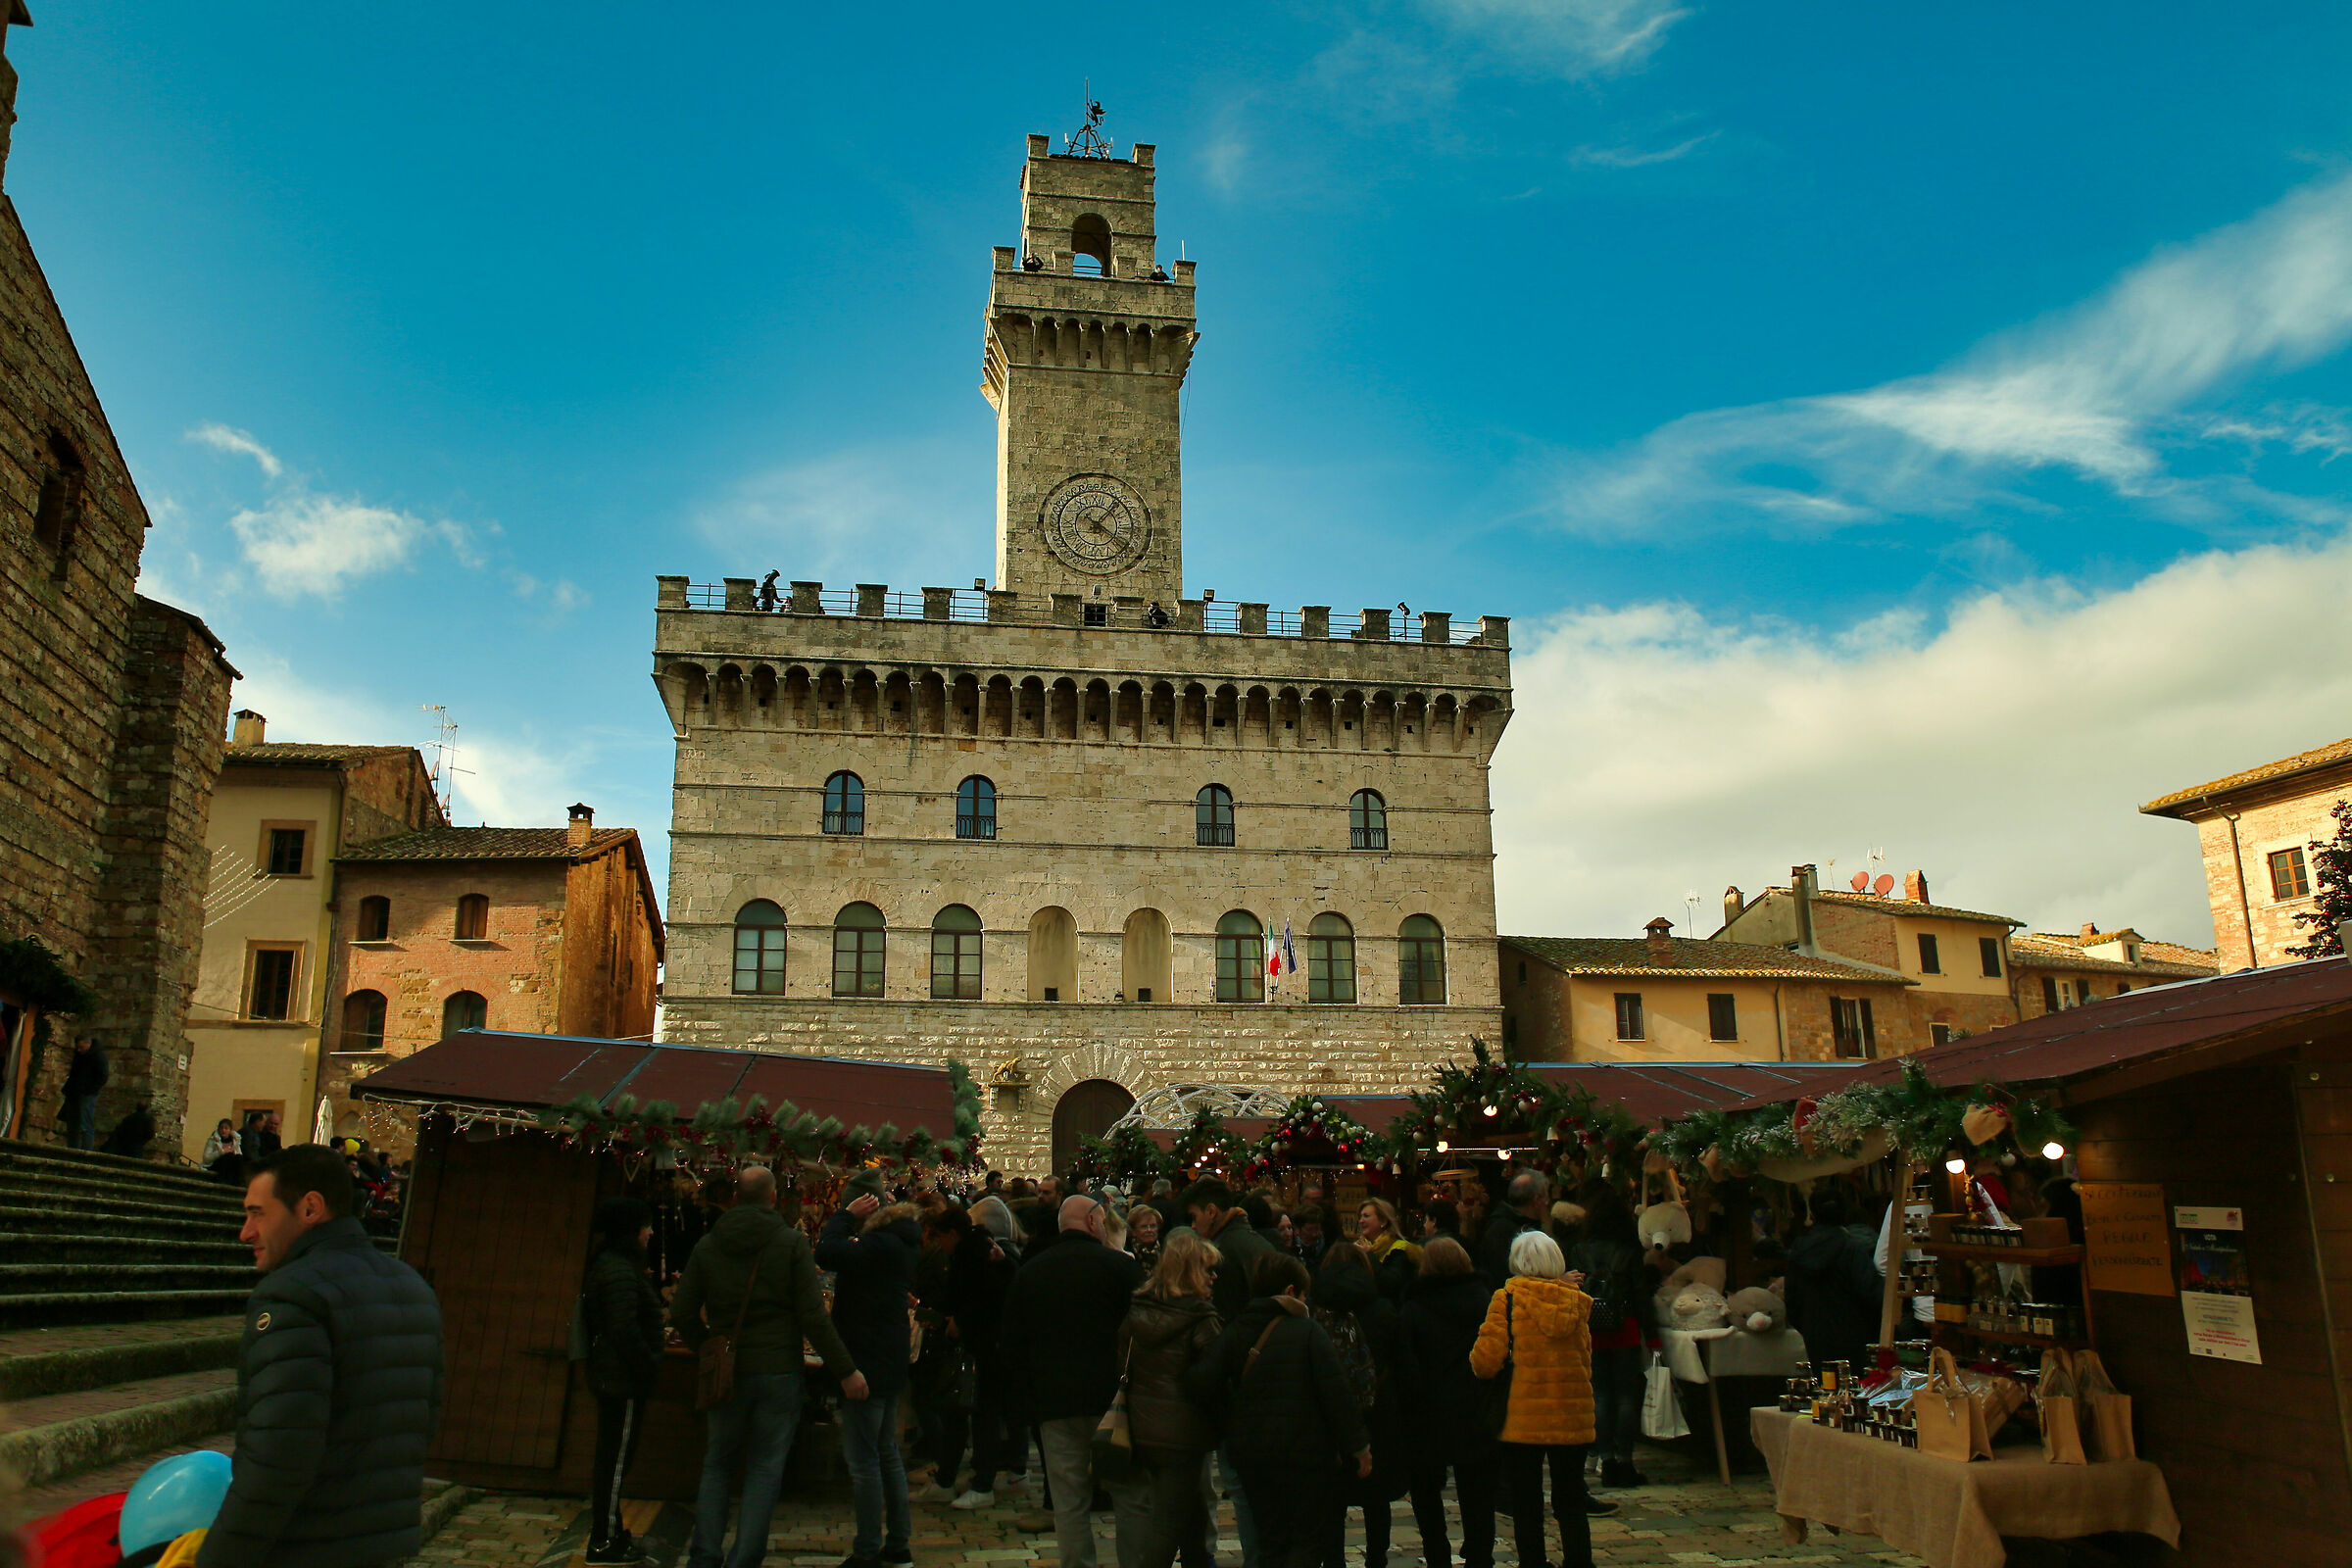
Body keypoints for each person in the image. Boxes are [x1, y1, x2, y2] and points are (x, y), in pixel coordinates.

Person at [194, 1145, 443, 1568]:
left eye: (258, 1213)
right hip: (379, 1543)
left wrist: (219, 1559)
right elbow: (422, 1420)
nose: (246, 1232)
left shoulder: (293, 1294)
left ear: (310, 1208)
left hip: (307, 1545)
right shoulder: (410, 1286)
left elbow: (278, 1453)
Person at [672, 1166, 866, 1568]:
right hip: (778, 1368)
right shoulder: (789, 1242)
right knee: (764, 1468)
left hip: (727, 1368)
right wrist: (846, 1369)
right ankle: (744, 1559)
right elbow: (813, 1315)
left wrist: (708, 1348)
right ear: (773, 1198)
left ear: (735, 1198)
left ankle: (704, 1555)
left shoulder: (709, 1245)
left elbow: (683, 1311)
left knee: (718, 1462)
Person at [1193, 1253, 1370, 1568]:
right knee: (1305, 1538)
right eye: (1304, 1294)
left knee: (1270, 1538)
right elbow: (1336, 1392)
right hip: (1306, 1454)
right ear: (1290, 1292)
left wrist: (1232, 1423)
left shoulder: (1235, 1330)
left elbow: (1203, 1382)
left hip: (1253, 1455)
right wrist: (1357, 1446)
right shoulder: (1308, 1332)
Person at [1000, 1194, 1146, 1568]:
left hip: (1055, 1402)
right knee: (1128, 1497)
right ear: (1095, 1223)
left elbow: (1013, 1342)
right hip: (1114, 1402)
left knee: (1069, 1502)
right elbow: (1144, 1334)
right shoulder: (1120, 1268)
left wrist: (1025, 1400)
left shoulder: (1032, 1271)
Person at [1472, 1230, 1608, 1568]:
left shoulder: (1507, 1299)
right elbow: (1585, 1359)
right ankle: (1579, 1561)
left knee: (1526, 1500)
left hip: (1524, 1416)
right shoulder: (1577, 1301)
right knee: (1572, 1498)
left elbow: (1486, 1360)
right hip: (1571, 1413)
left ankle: (1533, 1562)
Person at [818, 1170, 925, 1568]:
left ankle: (867, 1551)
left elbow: (826, 1252)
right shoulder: (900, 1239)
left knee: (864, 1461)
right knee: (886, 1453)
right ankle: (898, 1545)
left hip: (867, 1358)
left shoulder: (879, 1243)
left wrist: (843, 1217)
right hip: (888, 1357)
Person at [1117, 1229, 1224, 1568]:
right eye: (1208, 1269)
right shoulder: (1201, 1319)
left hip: (1144, 1425)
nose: (1214, 1276)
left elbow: (1122, 1362)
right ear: (1192, 1271)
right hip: (1183, 1433)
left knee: (1188, 1510)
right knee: (1167, 1521)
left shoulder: (1139, 1309)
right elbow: (1214, 1376)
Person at [1396, 1238, 1497, 1568]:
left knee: (1426, 1490)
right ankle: (1480, 1553)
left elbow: (1408, 1365)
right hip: (1475, 1404)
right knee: (1477, 1490)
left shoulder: (1414, 1307)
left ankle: (1437, 1553)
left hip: (1429, 1408)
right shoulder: (1484, 1300)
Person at [1310, 1244, 1406, 1568]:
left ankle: (1333, 1561)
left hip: (1327, 1419)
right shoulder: (1383, 1310)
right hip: (1377, 1414)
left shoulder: (1313, 1312)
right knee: (1376, 1500)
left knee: (1331, 1503)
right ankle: (1376, 1560)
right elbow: (1405, 1365)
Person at [581, 1197, 664, 1564]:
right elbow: (623, 1328)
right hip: (623, 1379)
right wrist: (648, 1365)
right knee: (615, 1462)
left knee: (612, 1459)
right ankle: (604, 1539)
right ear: (631, 1231)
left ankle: (610, 1531)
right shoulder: (618, 1271)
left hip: (617, 1376)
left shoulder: (613, 1266)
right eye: (645, 1225)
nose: (650, 1232)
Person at [1566, 1187, 1654, 1490]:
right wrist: (1651, 1333)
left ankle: (1606, 1459)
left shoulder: (1579, 1250)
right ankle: (1626, 1460)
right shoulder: (1629, 1251)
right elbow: (1641, 1294)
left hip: (1592, 1329)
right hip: (1625, 1326)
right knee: (1627, 1396)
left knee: (1600, 1395)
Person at [950, 1196, 1025, 1508]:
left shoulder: (996, 1258)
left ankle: (987, 1479)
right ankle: (1004, 1470)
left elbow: (987, 1302)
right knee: (998, 1411)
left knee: (987, 1413)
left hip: (991, 1347)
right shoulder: (1008, 1257)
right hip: (998, 1346)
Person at [1783, 1189, 1882, 1379]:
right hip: (1854, 1334)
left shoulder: (1798, 1251)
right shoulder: (1852, 1248)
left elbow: (1791, 1299)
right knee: (1855, 1393)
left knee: (1825, 1392)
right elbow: (1871, 1293)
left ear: (1812, 1214)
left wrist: (1808, 1325)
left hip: (1815, 1334)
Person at [1178, 1178, 1274, 1323]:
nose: (1193, 1226)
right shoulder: (1258, 1241)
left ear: (1211, 1212)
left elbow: (1224, 1314)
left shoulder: (1219, 1253)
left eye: (1194, 1217)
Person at [1476, 1172, 1550, 1291]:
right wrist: (1559, 1282)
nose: (1547, 1202)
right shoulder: (1508, 1232)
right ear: (1537, 1201)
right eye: (1546, 1197)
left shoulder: (1498, 1226)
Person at [1355, 1198, 1422, 1303]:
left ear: (1383, 1221)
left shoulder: (1400, 1250)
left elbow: (1392, 1285)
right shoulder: (1358, 1248)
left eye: (1366, 1216)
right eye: (1360, 1216)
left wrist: (1369, 1256)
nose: (1361, 1221)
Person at [58, 1034, 106, 1151]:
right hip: (74, 1093)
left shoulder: (98, 1056)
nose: (79, 1050)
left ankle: (86, 1150)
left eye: (81, 1047)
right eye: (77, 1047)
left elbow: (102, 1076)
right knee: (72, 1124)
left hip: (87, 1094)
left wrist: (89, 1091)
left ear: (88, 1044)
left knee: (85, 1124)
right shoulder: (79, 1055)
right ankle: (72, 1149)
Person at [1129, 1202, 1164, 1269]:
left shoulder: (1166, 1248)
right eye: (1143, 1227)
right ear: (1133, 1231)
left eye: (1153, 1226)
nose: (1149, 1230)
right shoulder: (1127, 1252)